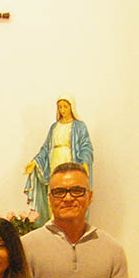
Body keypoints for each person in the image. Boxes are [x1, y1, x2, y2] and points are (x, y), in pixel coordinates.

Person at [23, 95, 94, 226]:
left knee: (71, 190)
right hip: (54, 162)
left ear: (71, 107)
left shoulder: (79, 126)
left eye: (65, 106)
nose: (63, 110)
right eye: (60, 107)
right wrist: (35, 162)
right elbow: (45, 148)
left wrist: (84, 161)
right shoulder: (54, 127)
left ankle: (72, 222)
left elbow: (86, 146)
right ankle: (53, 221)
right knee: (55, 191)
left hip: (70, 161)